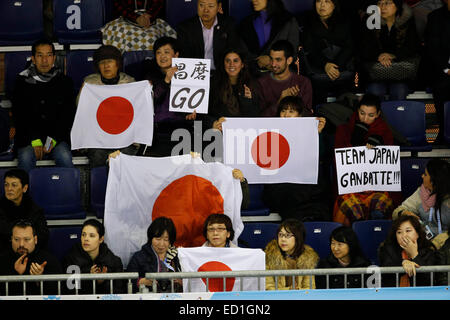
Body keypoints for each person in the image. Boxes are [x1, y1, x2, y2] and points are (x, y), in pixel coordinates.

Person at [11, 38, 75, 173]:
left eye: (49, 55)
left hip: (56, 137)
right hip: (28, 138)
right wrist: (34, 140)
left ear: (54, 58)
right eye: (40, 55)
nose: (44, 60)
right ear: (33, 59)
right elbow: (19, 116)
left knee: (64, 155)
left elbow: (68, 116)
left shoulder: (65, 82)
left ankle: (67, 193)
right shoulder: (21, 82)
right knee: (26, 157)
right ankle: (24, 193)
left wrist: (54, 139)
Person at [262, 96, 331, 222]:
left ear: (300, 116)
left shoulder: (310, 132)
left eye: (291, 111)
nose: (286, 115)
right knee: (289, 194)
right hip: (280, 185)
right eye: (283, 111)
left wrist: (317, 134)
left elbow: (319, 156)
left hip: (303, 184)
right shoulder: (270, 133)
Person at [333, 93, 395, 226]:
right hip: (351, 187)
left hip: (376, 187)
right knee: (349, 205)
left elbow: (388, 166)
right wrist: (355, 142)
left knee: (382, 203)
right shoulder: (343, 130)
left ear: (378, 114)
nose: (365, 118)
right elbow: (338, 162)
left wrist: (380, 146)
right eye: (362, 113)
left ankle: (375, 229)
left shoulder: (385, 132)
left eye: (370, 115)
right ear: (357, 111)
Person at [78, 45, 139, 167]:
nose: (106, 66)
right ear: (97, 66)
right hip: (98, 139)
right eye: (102, 63)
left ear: (117, 64)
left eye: (110, 61)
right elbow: (80, 110)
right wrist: (83, 93)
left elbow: (139, 111)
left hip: (124, 138)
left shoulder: (130, 82)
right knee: (97, 156)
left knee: (125, 159)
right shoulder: (90, 82)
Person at [142, 36, 197, 157]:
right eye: (158, 53)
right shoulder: (149, 75)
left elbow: (196, 100)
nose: (162, 56)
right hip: (157, 132)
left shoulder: (189, 73)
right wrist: (166, 80)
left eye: (167, 52)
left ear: (176, 55)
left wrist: (193, 111)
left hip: (183, 130)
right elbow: (150, 102)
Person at [360, 0, 420, 101]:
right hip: (375, 72)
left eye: (387, 3)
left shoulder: (407, 21)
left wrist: (393, 55)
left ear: (397, 6)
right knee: (375, 91)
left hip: (401, 72)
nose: (383, 7)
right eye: (379, 3)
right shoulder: (369, 20)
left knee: (399, 91)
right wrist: (379, 55)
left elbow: (412, 47)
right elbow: (363, 46)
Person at [302, 0, 355, 105]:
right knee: (317, 103)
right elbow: (309, 49)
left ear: (334, 5)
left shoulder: (344, 21)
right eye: (319, 1)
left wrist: (335, 66)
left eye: (327, 1)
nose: (322, 5)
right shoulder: (307, 21)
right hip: (317, 70)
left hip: (341, 69)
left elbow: (350, 47)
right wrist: (325, 65)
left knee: (345, 102)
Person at [176, 0, 244, 73]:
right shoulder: (185, 28)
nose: (205, 10)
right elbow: (184, 57)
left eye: (210, 6)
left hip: (222, 74)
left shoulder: (228, 24)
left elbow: (234, 50)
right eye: (201, 5)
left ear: (219, 7)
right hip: (195, 74)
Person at [62, 219, 125, 294]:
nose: (86, 239)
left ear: (101, 239)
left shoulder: (114, 261)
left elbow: (119, 292)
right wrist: (90, 280)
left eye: (92, 236)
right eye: (83, 235)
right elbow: (70, 292)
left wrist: (101, 282)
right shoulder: (71, 259)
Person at [0, 220, 62, 296]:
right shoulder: (2, 260)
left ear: (35, 240)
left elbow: (57, 293)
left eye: (26, 239)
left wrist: (39, 280)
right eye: (16, 239)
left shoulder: (48, 260)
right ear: (11, 239)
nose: (21, 244)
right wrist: (16, 275)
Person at [238, 0, 300, 76]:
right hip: (253, 78)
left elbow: (293, 53)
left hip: (281, 79)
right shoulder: (246, 23)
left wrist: (271, 61)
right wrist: (258, 61)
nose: (254, 0)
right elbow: (242, 53)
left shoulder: (288, 21)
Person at [392, 159, 450, 239]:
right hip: (424, 241)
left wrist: (436, 243)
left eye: (425, 174)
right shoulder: (422, 192)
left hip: (445, 245)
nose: (422, 176)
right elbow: (397, 212)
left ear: (434, 180)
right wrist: (404, 213)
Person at [208, 48, 262, 131]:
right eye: (228, 61)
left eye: (235, 61)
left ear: (242, 64)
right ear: (223, 64)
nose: (231, 64)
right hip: (219, 132)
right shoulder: (213, 84)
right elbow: (206, 113)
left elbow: (255, 118)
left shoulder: (251, 85)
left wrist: (248, 102)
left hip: (243, 132)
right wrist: (213, 123)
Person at [257, 40, 313, 117]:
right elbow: (259, 118)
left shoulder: (303, 82)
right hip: (269, 128)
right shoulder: (261, 83)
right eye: (271, 59)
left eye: (278, 60)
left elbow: (307, 116)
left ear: (289, 60)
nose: (273, 64)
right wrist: (281, 100)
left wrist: (294, 101)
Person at [378, 215, 437, 287]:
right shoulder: (388, 249)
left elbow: (428, 280)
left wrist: (414, 255)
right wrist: (403, 262)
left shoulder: (428, 251)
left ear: (417, 233)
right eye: (399, 232)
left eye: (408, 231)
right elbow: (386, 272)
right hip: (393, 295)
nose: (404, 235)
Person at [127, 217, 182, 293]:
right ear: (150, 238)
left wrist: (181, 282)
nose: (161, 244)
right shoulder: (138, 258)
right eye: (158, 239)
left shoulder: (176, 256)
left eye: (166, 240)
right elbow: (126, 283)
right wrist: (141, 282)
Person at [0, 169, 49, 254]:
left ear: (24, 188)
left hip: (31, 254)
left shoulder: (35, 210)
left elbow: (43, 236)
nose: (9, 189)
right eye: (6, 185)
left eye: (14, 185)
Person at [265, 219, 319, 290]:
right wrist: (289, 290)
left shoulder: (307, 258)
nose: (283, 239)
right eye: (280, 235)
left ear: (298, 237)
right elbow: (268, 287)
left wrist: (297, 290)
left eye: (287, 235)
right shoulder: (270, 256)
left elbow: (310, 288)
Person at [424, 0, 450, 145]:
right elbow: (433, 49)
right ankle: (443, 132)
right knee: (441, 84)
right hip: (443, 69)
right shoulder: (435, 17)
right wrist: (446, 68)